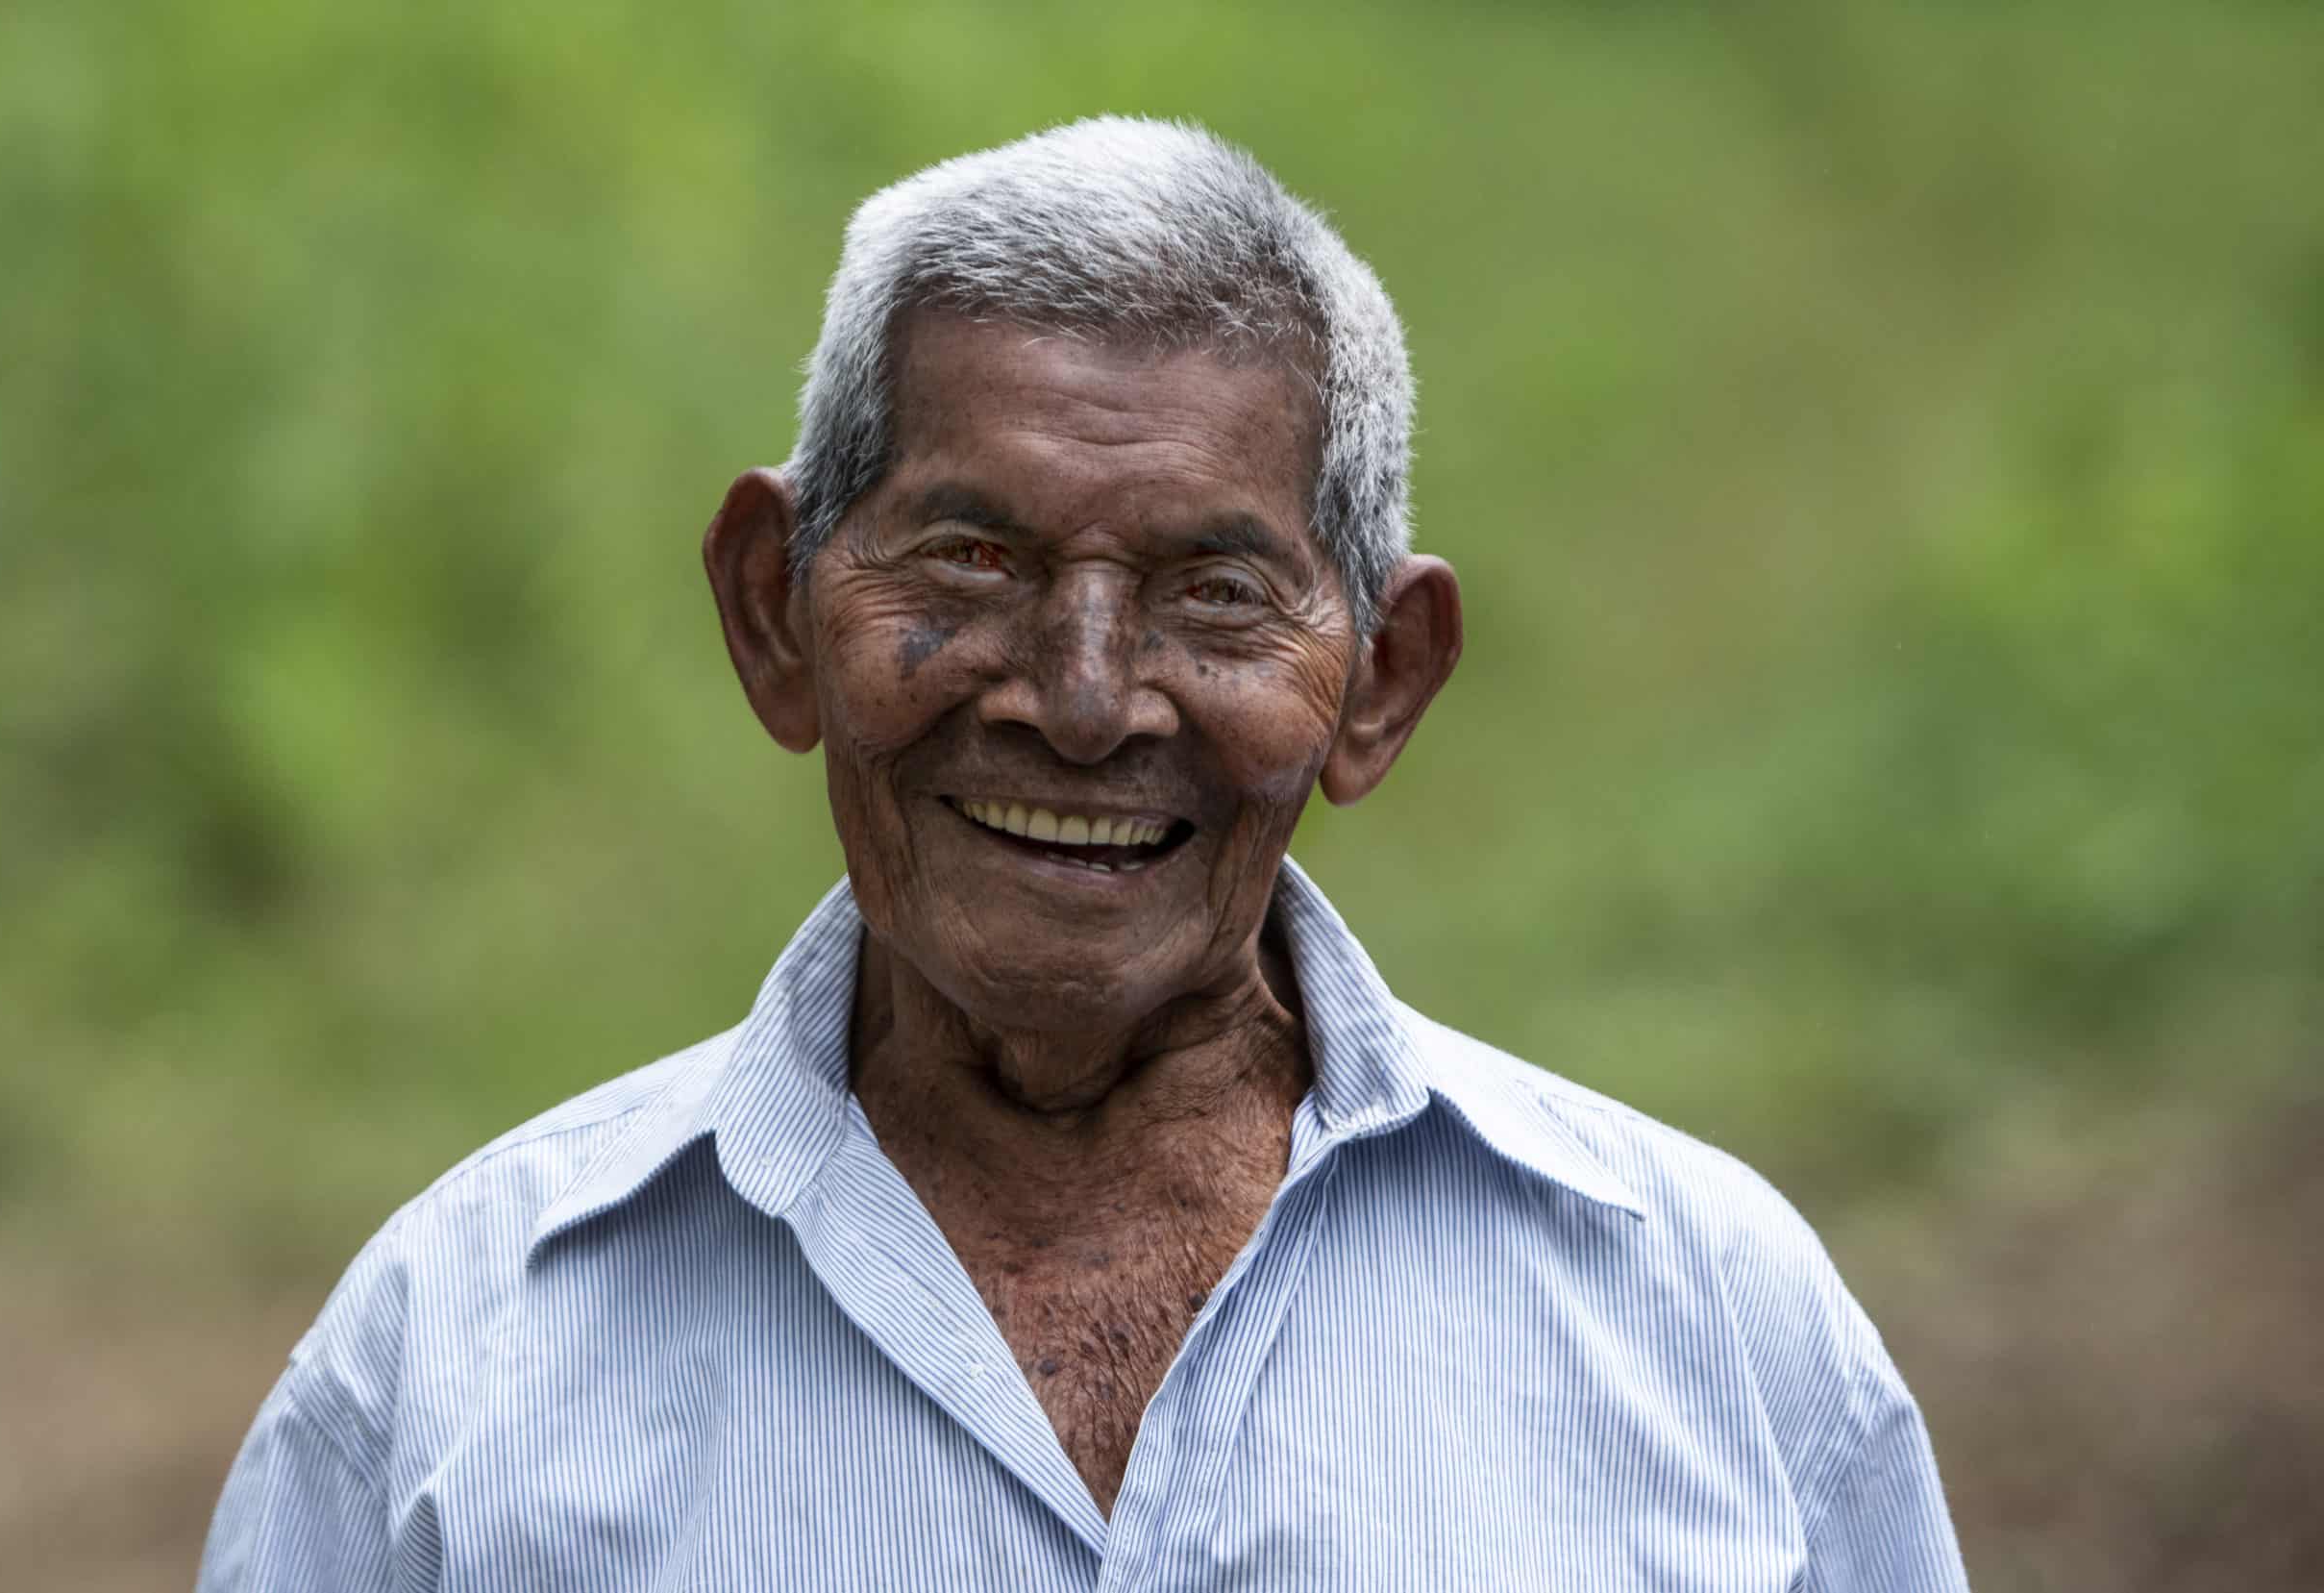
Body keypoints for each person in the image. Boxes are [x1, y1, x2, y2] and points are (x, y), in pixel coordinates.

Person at [200, 117, 1966, 1590]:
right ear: (774, 610)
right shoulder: (450, 1355)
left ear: (1380, 682)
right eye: (968, 560)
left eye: (1216, 594)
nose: (1084, 697)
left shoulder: (1710, 1322)